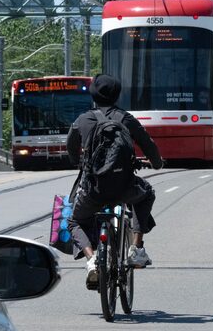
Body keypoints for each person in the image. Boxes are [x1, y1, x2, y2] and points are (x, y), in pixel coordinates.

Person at [66, 74, 163, 288]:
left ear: (93, 95)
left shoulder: (83, 120)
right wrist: (156, 163)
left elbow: (71, 146)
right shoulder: (126, 119)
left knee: (74, 221)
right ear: (117, 95)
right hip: (125, 187)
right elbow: (148, 145)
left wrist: (77, 162)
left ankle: (92, 259)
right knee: (147, 193)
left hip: (93, 190)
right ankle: (136, 249)